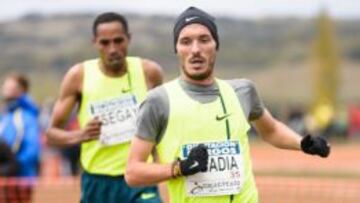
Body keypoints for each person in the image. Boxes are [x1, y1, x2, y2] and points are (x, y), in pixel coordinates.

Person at [125, 7, 331, 203]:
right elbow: (133, 172)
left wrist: (302, 143)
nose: (195, 49)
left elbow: (271, 130)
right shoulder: (158, 101)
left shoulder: (243, 91)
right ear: (176, 49)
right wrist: (180, 167)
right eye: (186, 41)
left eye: (204, 40)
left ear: (216, 45)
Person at [46, 12, 164, 203]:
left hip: (139, 176)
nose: (113, 49)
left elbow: (163, 123)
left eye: (118, 41)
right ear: (95, 42)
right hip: (97, 180)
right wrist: (81, 135)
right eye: (105, 42)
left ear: (129, 38)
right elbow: (52, 132)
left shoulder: (149, 72)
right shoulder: (79, 76)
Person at [0, 73, 41, 202]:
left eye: (11, 87)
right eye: (5, 87)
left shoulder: (26, 117)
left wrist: (12, 167)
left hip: (20, 179)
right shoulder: (5, 116)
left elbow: (32, 150)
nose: (6, 91)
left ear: (22, 91)